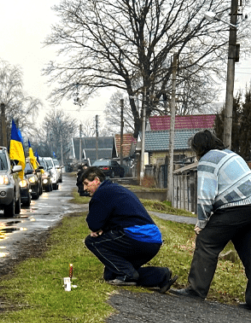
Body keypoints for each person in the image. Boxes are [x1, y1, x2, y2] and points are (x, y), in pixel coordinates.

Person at [170, 130, 251, 306]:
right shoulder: (230, 155)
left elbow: (205, 196)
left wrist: (201, 224)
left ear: (198, 148)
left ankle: (196, 290)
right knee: (248, 249)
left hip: (235, 206)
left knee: (207, 242)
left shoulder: (208, 160)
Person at [82, 168, 176, 291]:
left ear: (96, 180)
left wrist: (100, 229)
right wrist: (104, 228)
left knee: (91, 241)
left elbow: (93, 224)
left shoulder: (102, 193)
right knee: (111, 275)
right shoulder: (116, 189)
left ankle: (127, 274)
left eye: (86, 184)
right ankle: (160, 276)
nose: (84, 189)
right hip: (153, 240)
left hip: (137, 238)